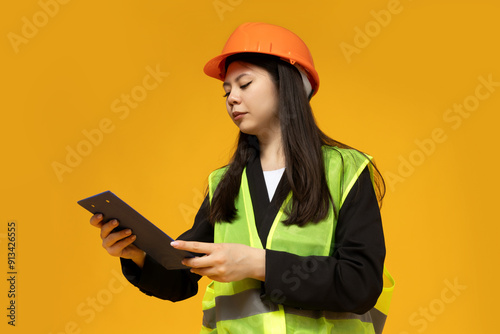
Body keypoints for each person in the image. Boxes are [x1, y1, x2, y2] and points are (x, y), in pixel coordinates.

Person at [89, 22, 394, 333]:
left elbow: (361, 283)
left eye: (245, 84)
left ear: (288, 85)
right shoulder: (224, 184)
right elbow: (182, 279)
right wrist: (137, 254)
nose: (232, 97)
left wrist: (257, 264)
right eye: (226, 90)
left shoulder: (345, 170)